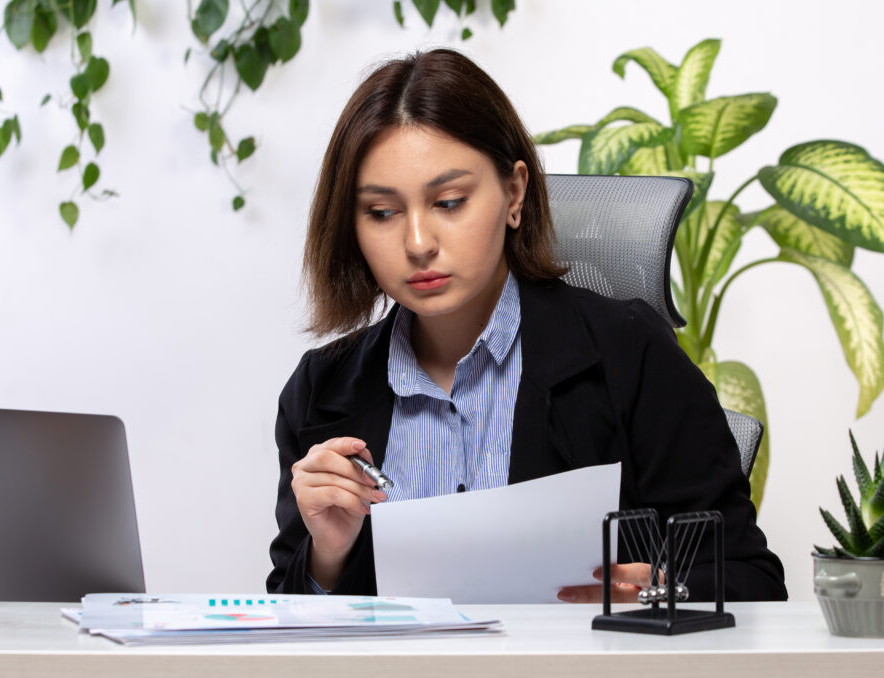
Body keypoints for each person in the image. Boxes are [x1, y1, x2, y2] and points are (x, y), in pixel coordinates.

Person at [267, 48, 786, 602]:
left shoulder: (629, 355)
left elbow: (751, 579)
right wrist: (327, 554)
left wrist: (660, 591)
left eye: (448, 201)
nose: (418, 243)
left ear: (514, 193)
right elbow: (291, 624)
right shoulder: (320, 391)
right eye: (382, 212)